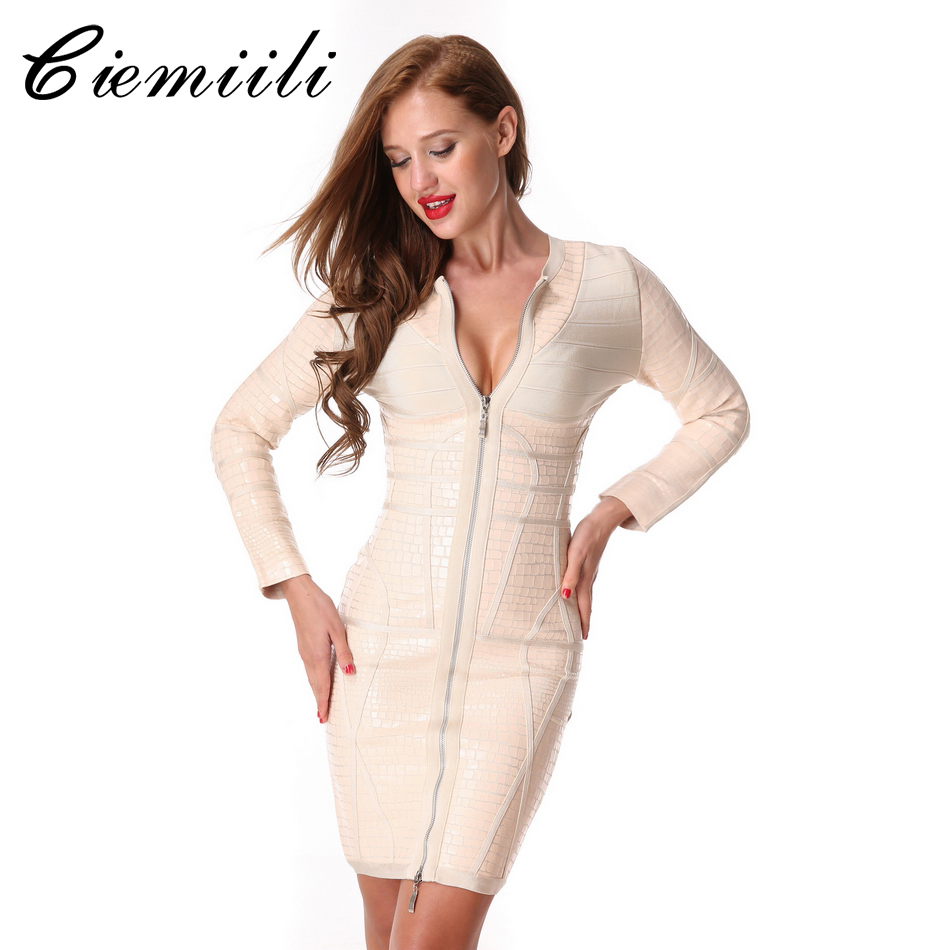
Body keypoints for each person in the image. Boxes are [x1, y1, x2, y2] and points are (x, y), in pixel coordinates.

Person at [210, 33, 750, 950]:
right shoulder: (378, 293)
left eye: (441, 147)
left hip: (524, 657)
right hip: (377, 655)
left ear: (502, 131)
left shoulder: (607, 288)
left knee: (433, 938)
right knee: (387, 937)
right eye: (398, 160)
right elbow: (239, 430)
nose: (420, 179)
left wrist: (615, 508)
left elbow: (720, 410)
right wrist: (293, 586)